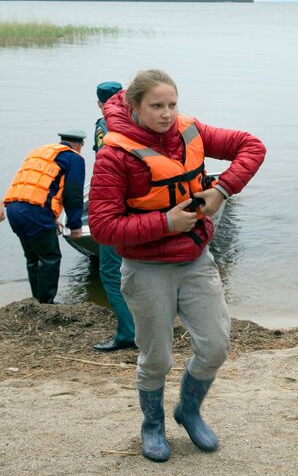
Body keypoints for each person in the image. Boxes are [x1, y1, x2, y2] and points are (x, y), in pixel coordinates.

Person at [88, 69, 266, 462]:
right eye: (156, 106)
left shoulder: (191, 131)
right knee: (156, 358)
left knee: (215, 346)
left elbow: (252, 146)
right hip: (146, 268)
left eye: (172, 104)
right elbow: (102, 227)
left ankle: (189, 410)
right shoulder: (115, 155)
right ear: (134, 107)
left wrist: (222, 190)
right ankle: (152, 424)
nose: (167, 114)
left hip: (196, 260)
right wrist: (166, 222)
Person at [3, 130, 86, 303]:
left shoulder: (39, 152)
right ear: (79, 145)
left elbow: (37, 185)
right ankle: (47, 304)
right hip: (34, 212)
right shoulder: (74, 158)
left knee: (33, 257)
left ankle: (37, 301)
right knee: (50, 257)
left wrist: (51, 218)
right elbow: (73, 193)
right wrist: (75, 225)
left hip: (13, 208)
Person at [91, 81, 137, 352]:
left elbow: (104, 164)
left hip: (117, 207)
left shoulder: (104, 124)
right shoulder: (142, 119)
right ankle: (154, 326)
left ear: (100, 103)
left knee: (110, 272)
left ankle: (129, 333)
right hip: (147, 206)